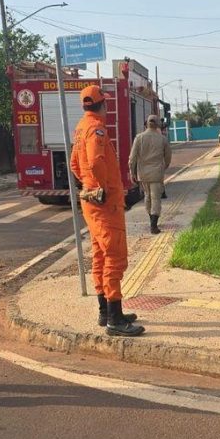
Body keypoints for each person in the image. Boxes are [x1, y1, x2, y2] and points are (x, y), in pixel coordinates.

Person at [70, 85, 145, 337]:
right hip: (105, 203)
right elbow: (94, 162)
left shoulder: (81, 127)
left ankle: (106, 311)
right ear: (103, 105)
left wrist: (89, 185)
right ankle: (115, 320)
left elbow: (74, 164)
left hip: (91, 202)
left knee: (100, 255)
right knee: (115, 256)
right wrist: (102, 187)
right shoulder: (96, 129)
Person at [129, 114, 172, 234]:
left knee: (147, 196)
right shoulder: (162, 139)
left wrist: (132, 172)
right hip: (156, 173)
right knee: (156, 198)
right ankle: (154, 225)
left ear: (146, 124)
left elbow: (132, 158)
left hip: (143, 174)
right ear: (158, 124)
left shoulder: (139, 138)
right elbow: (168, 156)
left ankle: (151, 219)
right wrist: (164, 166)